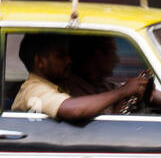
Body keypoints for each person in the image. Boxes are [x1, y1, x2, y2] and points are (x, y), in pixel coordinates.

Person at [12, 33, 152, 121]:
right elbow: (73, 109)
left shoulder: (61, 84)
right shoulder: (34, 89)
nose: (69, 61)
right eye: (61, 56)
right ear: (40, 62)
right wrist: (122, 92)